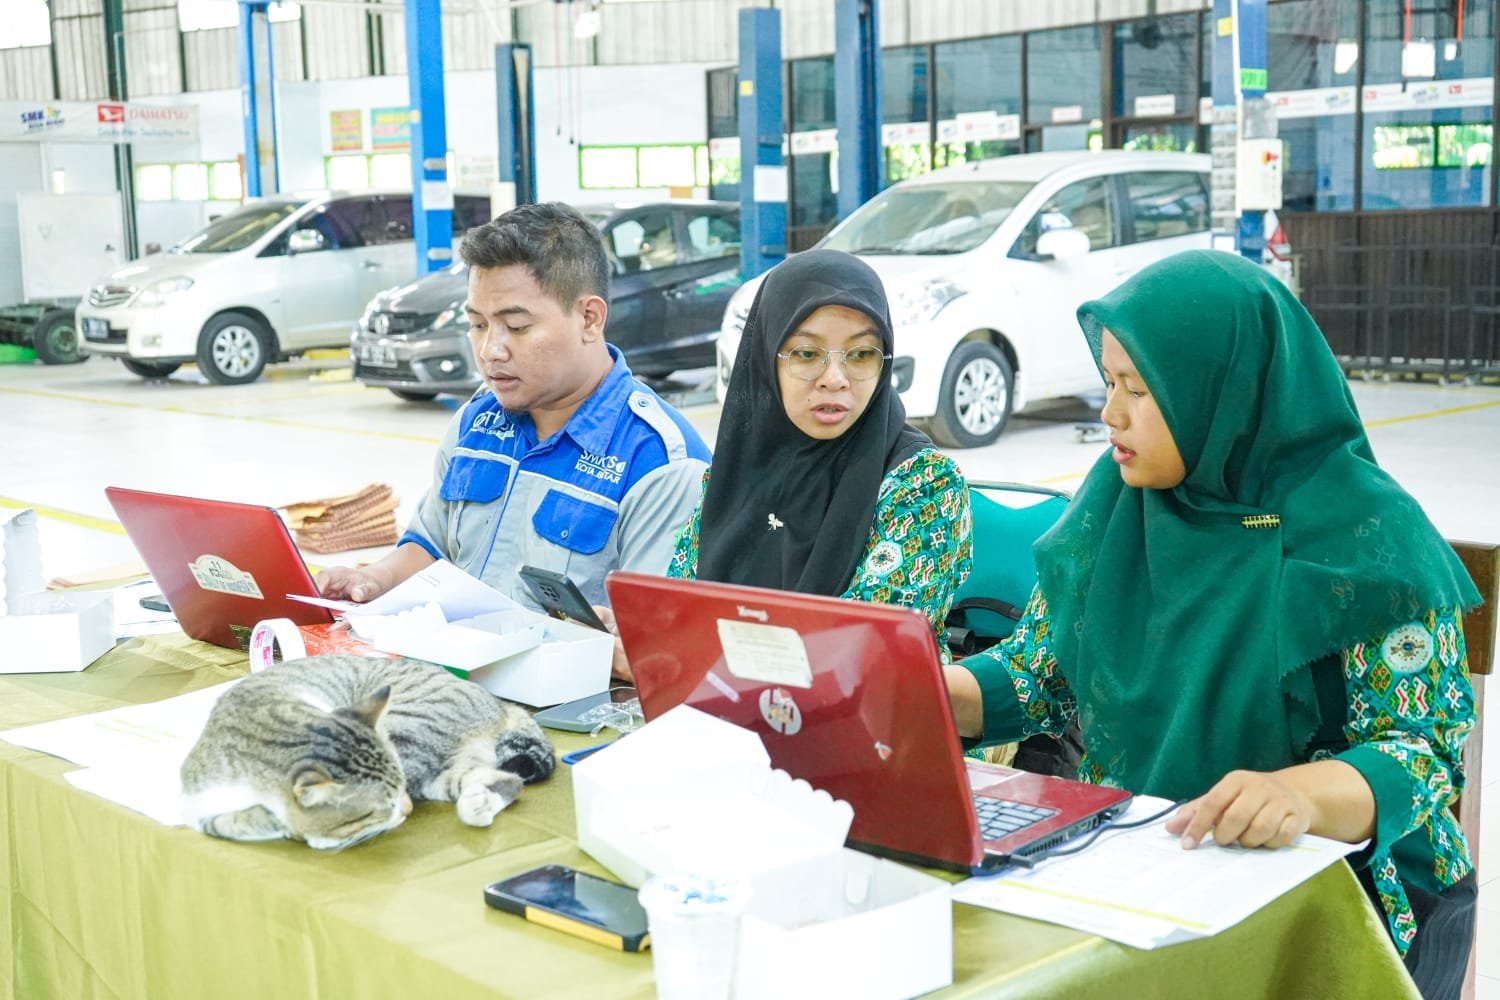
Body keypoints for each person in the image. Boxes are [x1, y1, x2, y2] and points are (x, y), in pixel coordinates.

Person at [944, 249, 1479, 999]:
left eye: (1140, 390)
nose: (1111, 414)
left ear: (1223, 392)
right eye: (1108, 383)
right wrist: (921, 691)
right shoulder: (1118, 504)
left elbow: (1424, 749)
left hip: (1347, 893)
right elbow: (1042, 672)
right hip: (1143, 863)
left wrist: (1301, 796)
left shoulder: (1364, 535)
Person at [317, 202, 711, 610]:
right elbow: (431, 545)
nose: (490, 350)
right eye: (478, 325)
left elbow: (653, 633)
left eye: (518, 327)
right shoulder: (477, 423)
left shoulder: (660, 463)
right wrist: (374, 578)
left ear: (590, 319)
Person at [599, 249, 972, 678]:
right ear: (764, 357)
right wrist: (642, 633)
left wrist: (670, 659)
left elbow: (866, 653)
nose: (835, 379)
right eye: (807, 354)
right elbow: (684, 605)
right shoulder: (733, 474)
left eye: (861, 354)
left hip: (874, 714)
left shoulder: (924, 484)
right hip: (719, 706)